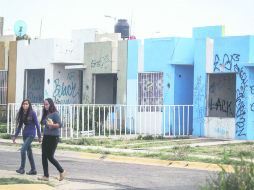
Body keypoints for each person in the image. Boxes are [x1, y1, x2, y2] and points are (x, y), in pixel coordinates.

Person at [38, 98, 66, 181]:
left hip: (54, 137)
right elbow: (42, 122)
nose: (45, 106)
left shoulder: (55, 114)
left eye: (46, 104)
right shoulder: (46, 113)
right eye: (44, 104)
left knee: (50, 156)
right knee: (43, 156)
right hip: (46, 136)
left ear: (51, 104)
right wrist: (44, 122)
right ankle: (46, 176)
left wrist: (52, 125)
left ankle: (62, 171)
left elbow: (60, 124)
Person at [12, 99, 41, 175]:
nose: (25, 105)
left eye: (26, 104)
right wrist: (15, 136)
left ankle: (22, 168)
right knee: (29, 152)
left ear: (29, 105)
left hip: (31, 134)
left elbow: (37, 125)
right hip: (25, 135)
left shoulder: (32, 113)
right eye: (24, 104)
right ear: (22, 105)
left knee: (22, 150)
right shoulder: (22, 114)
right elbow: (19, 126)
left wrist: (39, 136)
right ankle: (33, 170)